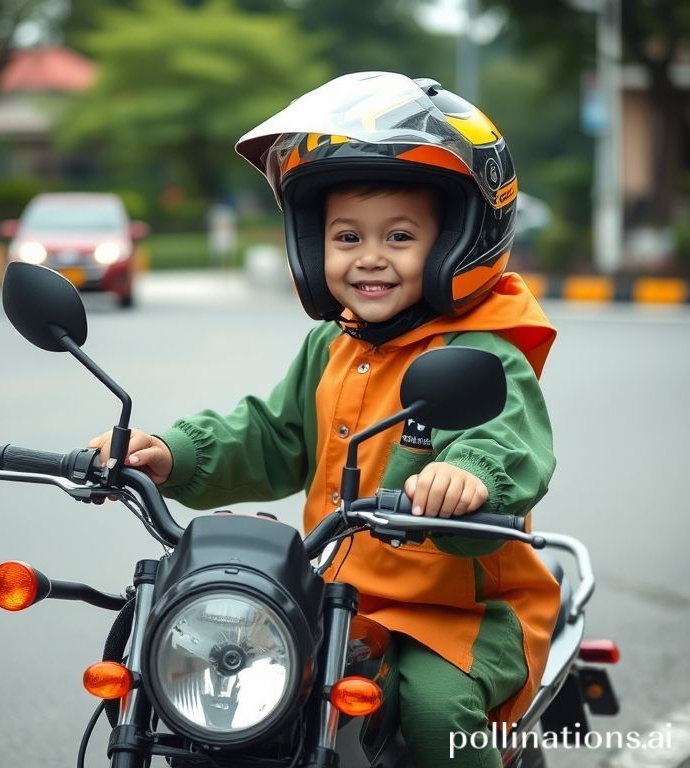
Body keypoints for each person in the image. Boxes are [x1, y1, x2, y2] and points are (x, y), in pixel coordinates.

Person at [90, 72, 560, 767]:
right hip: (335, 598)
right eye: (346, 236)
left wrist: (467, 474)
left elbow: (508, 440)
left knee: (436, 711)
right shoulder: (330, 345)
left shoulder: (485, 352)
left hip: (459, 615)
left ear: (458, 241)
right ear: (314, 245)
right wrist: (170, 452)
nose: (369, 257)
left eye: (399, 236)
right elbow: (271, 433)